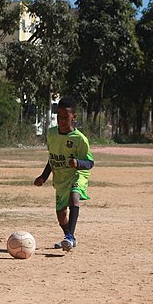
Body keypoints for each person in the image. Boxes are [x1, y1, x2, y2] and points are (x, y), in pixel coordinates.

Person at [33, 96, 94, 252]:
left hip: (77, 174)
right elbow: (52, 158)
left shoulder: (80, 139)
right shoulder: (52, 134)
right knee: (61, 215)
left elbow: (90, 163)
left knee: (75, 197)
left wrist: (78, 163)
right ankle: (69, 236)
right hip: (60, 178)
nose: (61, 120)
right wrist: (43, 177)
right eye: (58, 116)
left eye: (65, 117)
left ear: (74, 117)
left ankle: (69, 237)